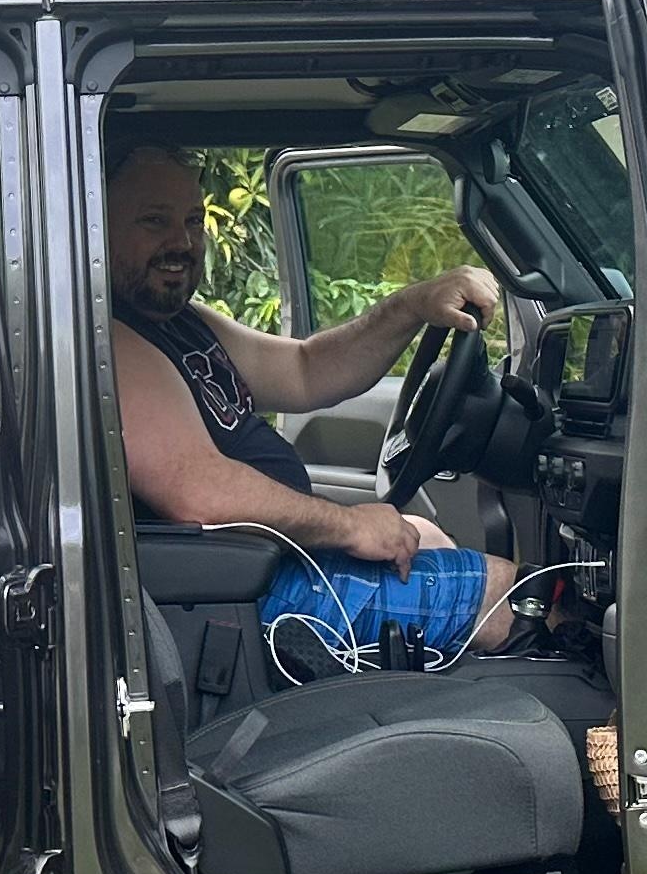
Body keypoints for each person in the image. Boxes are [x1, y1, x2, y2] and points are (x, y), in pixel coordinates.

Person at [102, 135, 522, 662]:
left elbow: (306, 370)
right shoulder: (106, 341)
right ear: (97, 226)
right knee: (517, 596)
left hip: (268, 567)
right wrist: (350, 526)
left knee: (423, 534)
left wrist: (414, 306)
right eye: (153, 221)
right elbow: (198, 491)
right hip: (247, 593)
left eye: (192, 220)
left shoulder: (179, 323)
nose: (182, 242)